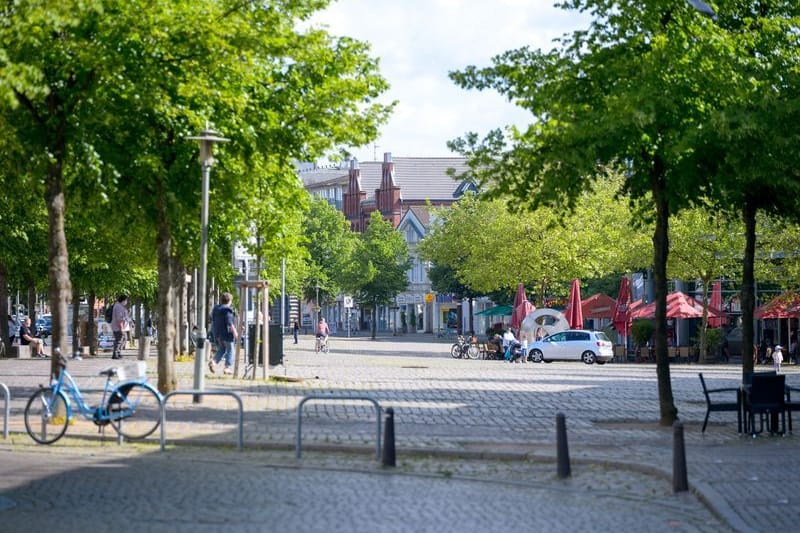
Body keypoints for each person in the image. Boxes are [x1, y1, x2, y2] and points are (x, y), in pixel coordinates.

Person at [209, 292, 237, 375]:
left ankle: (213, 362)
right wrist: (235, 332)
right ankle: (227, 368)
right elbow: (229, 322)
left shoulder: (216, 309)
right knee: (231, 350)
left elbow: (212, 319)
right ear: (230, 301)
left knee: (222, 349)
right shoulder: (227, 310)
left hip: (217, 333)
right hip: (226, 334)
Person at [111, 295, 130, 360]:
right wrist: (121, 328)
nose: (126, 302)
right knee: (119, 340)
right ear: (123, 300)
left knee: (123, 339)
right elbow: (119, 318)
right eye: (126, 300)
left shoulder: (120, 306)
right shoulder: (119, 307)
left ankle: (118, 353)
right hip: (118, 327)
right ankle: (115, 354)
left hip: (119, 326)